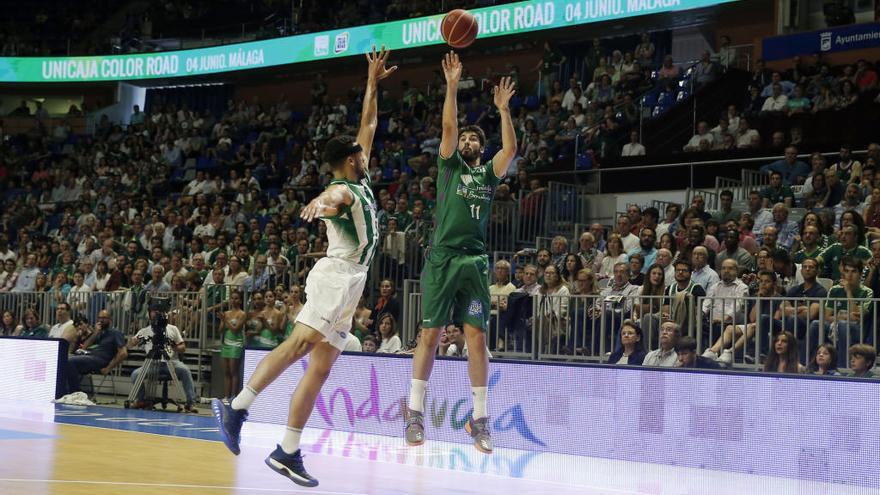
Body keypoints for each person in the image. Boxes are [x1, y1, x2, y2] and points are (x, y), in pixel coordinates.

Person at [213, 47, 396, 487]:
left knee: (320, 367)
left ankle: (287, 450)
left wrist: (372, 83)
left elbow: (367, 125)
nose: (365, 151)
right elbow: (330, 199)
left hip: (352, 284)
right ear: (350, 160)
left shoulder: (360, 176)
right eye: (360, 153)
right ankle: (236, 408)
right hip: (335, 276)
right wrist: (318, 201)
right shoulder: (343, 190)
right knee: (300, 344)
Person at [404, 50, 518, 455]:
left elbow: (510, 151)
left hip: (474, 260)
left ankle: (480, 418)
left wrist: (503, 111)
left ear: (481, 149)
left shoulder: (488, 172)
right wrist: (452, 85)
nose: (468, 140)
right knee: (430, 335)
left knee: (477, 338)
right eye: (466, 138)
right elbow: (449, 125)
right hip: (443, 257)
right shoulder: (449, 167)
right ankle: (415, 413)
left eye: (475, 139)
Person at [128, 301, 198, 412]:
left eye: (159, 312)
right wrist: (133, 341)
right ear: (149, 314)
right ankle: (141, 400)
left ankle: (190, 403)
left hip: (171, 362)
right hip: (151, 363)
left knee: (185, 370)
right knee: (135, 374)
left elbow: (183, 347)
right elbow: (130, 345)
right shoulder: (144, 331)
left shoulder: (173, 329)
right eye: (153, 312)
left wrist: (173, 346)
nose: (156, 314)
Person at [64, 310, 127, 396]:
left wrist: (108, 368)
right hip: (89, 357)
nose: (101, 320)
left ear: (110, 320)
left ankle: (75, 393)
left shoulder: (115, 333)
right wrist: (95, 333)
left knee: (70, 361)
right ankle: (66, 392)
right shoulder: (98, 333)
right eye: (99, 318)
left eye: (104, 318)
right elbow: (84, 347)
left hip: (100, 360)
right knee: (63, 361)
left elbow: (123, 353)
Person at [219, 291, 246, 401]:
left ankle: (234, 396)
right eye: (232, 298)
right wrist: (222, 320)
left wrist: (226, 320)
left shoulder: (242, 314)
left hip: (236, 344)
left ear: (240, 300)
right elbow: (221, 330)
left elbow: (235, 329)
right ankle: (227, 396)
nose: (233, 300)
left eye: (236, 298)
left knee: (233, 371)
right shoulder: (226, 313)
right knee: (226, 372)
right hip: (226, 343)